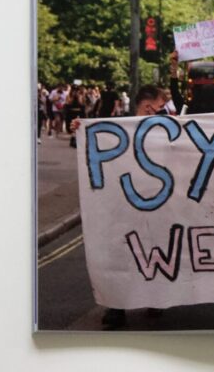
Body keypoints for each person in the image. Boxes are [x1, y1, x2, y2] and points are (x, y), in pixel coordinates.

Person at [73, 85, 168, 329]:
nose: (163, 111)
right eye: (160, 106)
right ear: (148, 106)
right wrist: (79, 128)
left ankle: (153, 297)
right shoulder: (115, 124)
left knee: (152, 250)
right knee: (120, 252)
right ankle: (116, 306)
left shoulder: (164, 126)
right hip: (121, 202)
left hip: (154, 201)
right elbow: (91, 139)